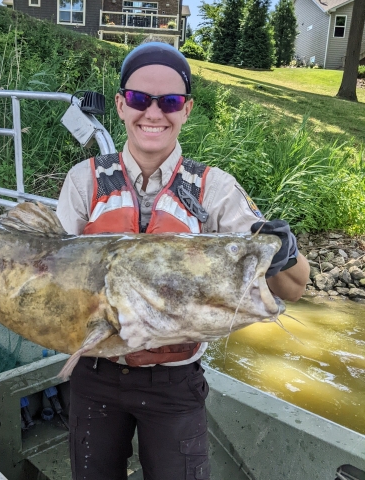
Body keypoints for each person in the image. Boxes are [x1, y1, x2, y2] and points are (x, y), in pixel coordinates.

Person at [56, 42, 310, 480]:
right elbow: (48, 272)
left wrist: (282, 248)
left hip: (173, 383)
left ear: (186, 110)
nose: (153, 113)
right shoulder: (84, 181)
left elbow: (295, 287)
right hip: (94, 376)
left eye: (169, 102)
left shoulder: (216, 189)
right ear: (120, 105)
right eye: (139, 99)